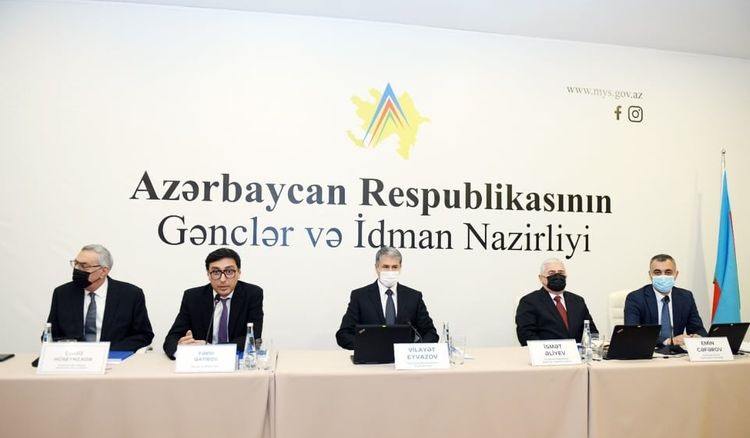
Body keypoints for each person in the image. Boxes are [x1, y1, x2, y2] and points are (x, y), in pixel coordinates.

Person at [45, 244, 154, 351]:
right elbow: (50, 335)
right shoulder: (62, 293)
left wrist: (106, 351)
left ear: (103, 271)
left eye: (84, 266)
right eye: (76, 264)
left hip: (113, 357)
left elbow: (144, 335)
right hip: (74, 358)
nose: (77, 269)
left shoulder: (130, 295)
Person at [163, 248, 263, 359]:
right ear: (208, 274)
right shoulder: (193, 297)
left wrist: (211, 349)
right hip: (201, 363)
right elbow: (172, 338)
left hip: (236, 361)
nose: (223, 279)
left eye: (229, 272)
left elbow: (253, 338)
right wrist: (181, 349)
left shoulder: (252, 294)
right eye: (216, 272)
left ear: (239, 273)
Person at [336, 246, 438, 349]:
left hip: (404, 357)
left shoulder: (413, 297)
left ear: (400, 268)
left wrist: (413, 350)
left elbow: (430, 333)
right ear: (377, 267)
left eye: (394, 267)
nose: (390, 271)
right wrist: (367, 347)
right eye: (385, 267)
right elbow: (344, 334)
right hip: (371, 357)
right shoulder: (360, 296)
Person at [624, 254, 707, 347]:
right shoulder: (636, 298)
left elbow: (698, 329)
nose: (663, 277)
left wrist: (697, 337)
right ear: (650, 275)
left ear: (676, 274)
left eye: (668, 272)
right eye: (657, 272)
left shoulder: (686, 297)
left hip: (677, 352)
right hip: (649, 351)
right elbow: (633, 333)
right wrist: (668, 341)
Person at [515, 258, 597, 346]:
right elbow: (526, 335)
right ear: (541, 278)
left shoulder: (578, 301)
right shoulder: (529, 302)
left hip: (578, 352)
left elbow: (591, 331)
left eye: (561, 273)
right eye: (551, 273)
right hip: (547, 352)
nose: (557, 276)